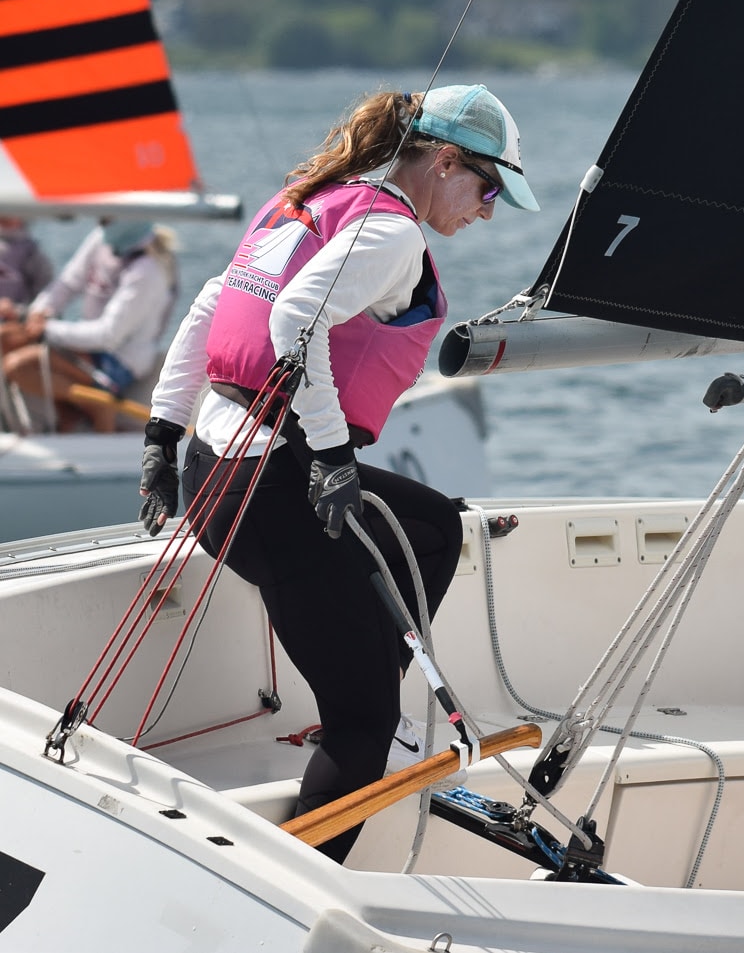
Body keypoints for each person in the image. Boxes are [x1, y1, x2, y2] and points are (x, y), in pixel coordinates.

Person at [136, 84, 539, 863]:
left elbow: (214, 301)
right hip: (273, 493)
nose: (487, 211)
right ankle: (290, 892)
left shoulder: (312, 197)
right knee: (363, 729)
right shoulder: (391, 235)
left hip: (209, 471)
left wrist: (160, 430)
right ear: (446, 160)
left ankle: (364, 677)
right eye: (487, 188)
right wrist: (328, 454)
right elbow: (291, 321)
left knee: (433, 527)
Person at [1, 219, 177, 431]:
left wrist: (45, 329)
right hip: (89, 347)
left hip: (118, 359)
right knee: (5, 337)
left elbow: (108, 336)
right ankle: (72, 415)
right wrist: (38, 312)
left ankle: (96, 408)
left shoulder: (148, 270)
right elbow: (68, 283)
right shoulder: (102, 237)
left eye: (106, 217)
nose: (100, 222)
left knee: (18, 366)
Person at [0, 214, 54, 315]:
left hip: (15, 320)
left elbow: (46, 293)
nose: (5, 216)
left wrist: (18, 310)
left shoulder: (31, 252)